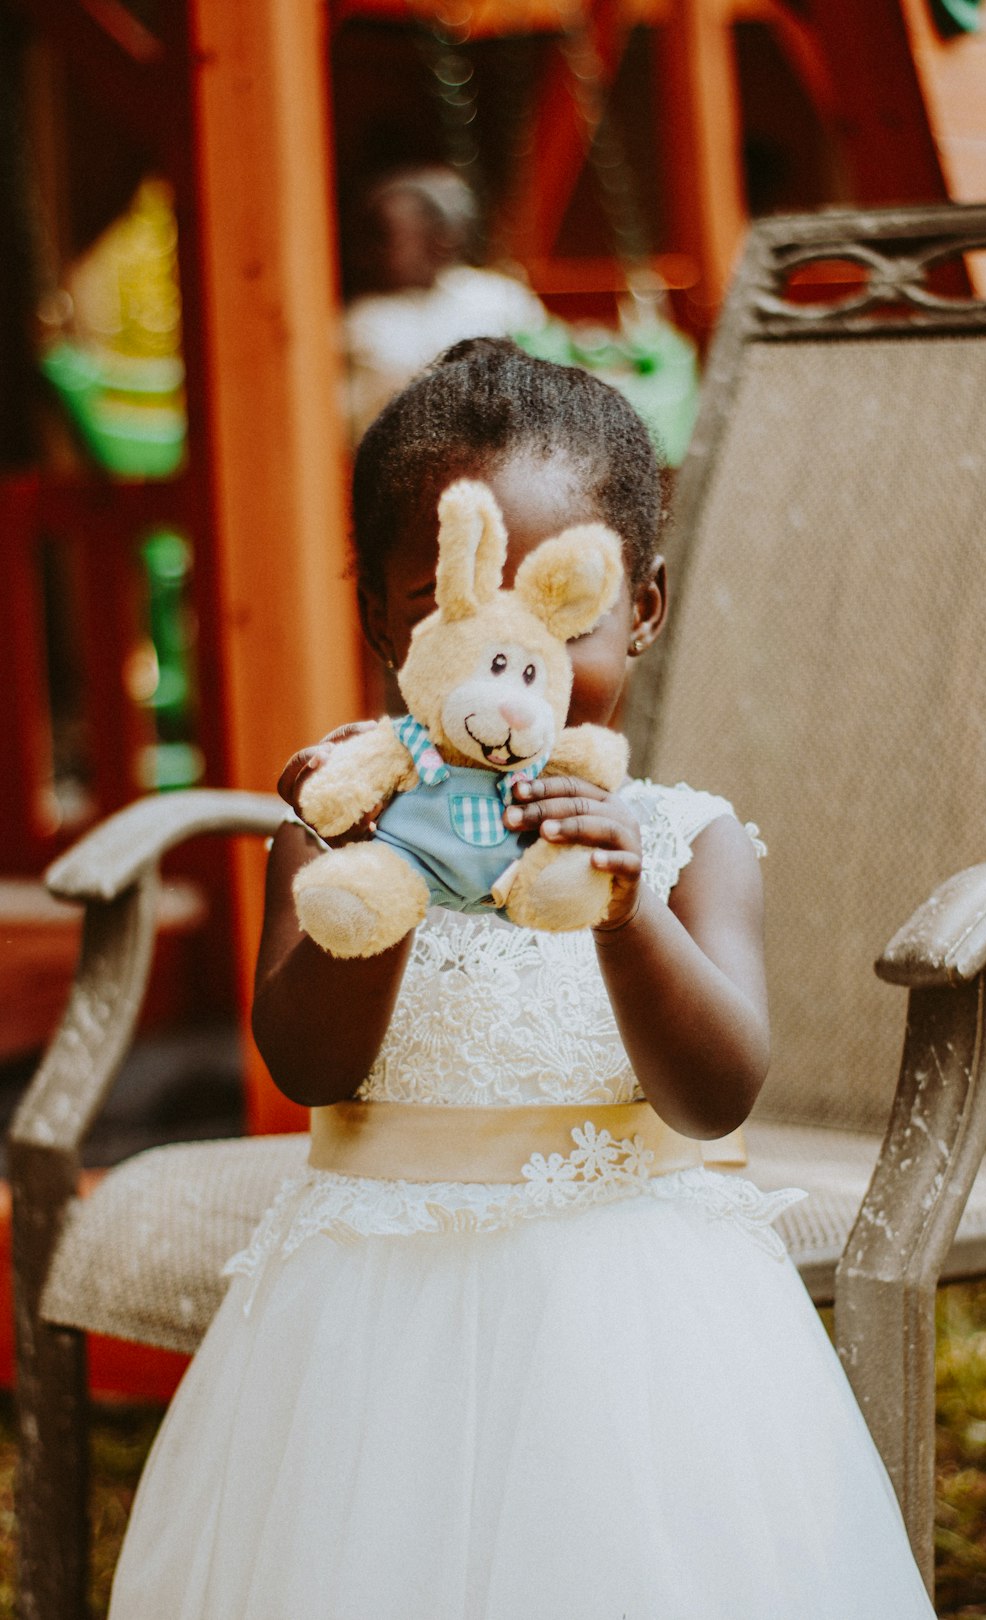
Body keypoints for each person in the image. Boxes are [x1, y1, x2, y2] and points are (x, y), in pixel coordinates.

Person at [108, 339, 936, 1619]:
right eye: (452, 615)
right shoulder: (332, 835)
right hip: (373, 1316)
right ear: (387, 618)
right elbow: (309, 1066)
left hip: (637, 1318)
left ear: (643, 609)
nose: (506, 668)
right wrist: (369, 869)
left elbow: (716, 1095)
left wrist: (627, 914)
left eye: (561, 617)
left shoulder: (686, 837)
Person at [341, 167, 546, 444]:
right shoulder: (358, 322)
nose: (371, 252)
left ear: (439, 240)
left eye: (387, 237)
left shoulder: (498, 299)